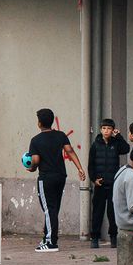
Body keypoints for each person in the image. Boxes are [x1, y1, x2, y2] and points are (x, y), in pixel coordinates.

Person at [25, 108, 86, 252]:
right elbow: (70, 150)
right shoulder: (60, 135)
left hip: (46, 178)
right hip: (60, 176)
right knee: (54, 208)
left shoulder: (35, 140)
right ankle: (47, 237)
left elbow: (35, 159)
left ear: (39, 123)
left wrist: (32, 168)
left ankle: (51, 242)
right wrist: (80, 168)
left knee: (48, 209)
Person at [88, 118, 130, 248]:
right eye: (104, 128)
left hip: (113, 183)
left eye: (109, 129)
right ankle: (95, 237)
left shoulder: (116, 143)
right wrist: (94, 179)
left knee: (113, 212)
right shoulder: (95, 145)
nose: (106, 131)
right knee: (97, 212)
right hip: (100, 184)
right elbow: (91, 165)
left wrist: (119, 136)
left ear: (112, 130)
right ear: (101, 130)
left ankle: (113, 237)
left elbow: (126, 149)